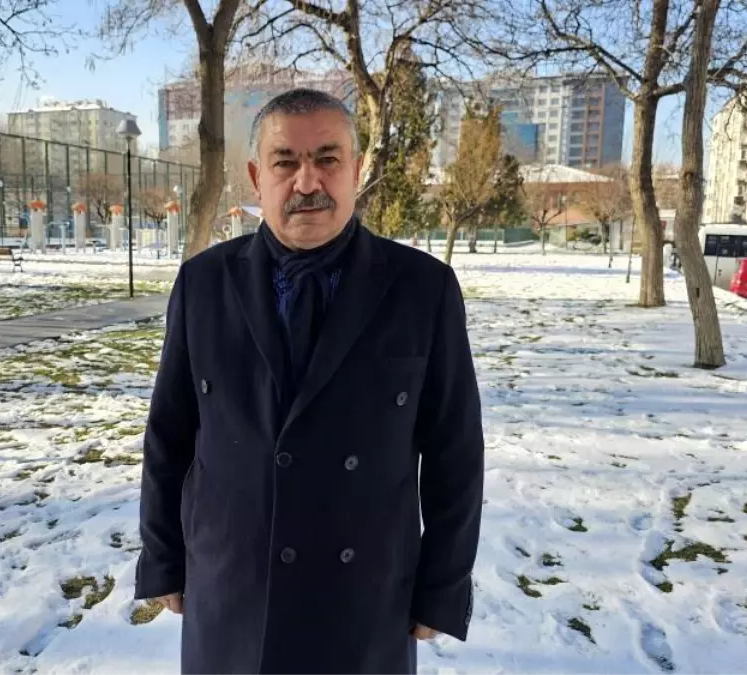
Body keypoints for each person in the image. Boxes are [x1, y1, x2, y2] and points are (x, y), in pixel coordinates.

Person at [134, 88, 485, 674]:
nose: (307, 182)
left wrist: (443, 587)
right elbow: (169, 435)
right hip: (233, 587)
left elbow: (456, 451)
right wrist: (163, 558)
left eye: (327, 159)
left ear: (356, 169)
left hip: (364, 597)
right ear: (257, 176)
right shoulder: (203, 284)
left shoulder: (424, 290)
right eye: (285, 162)